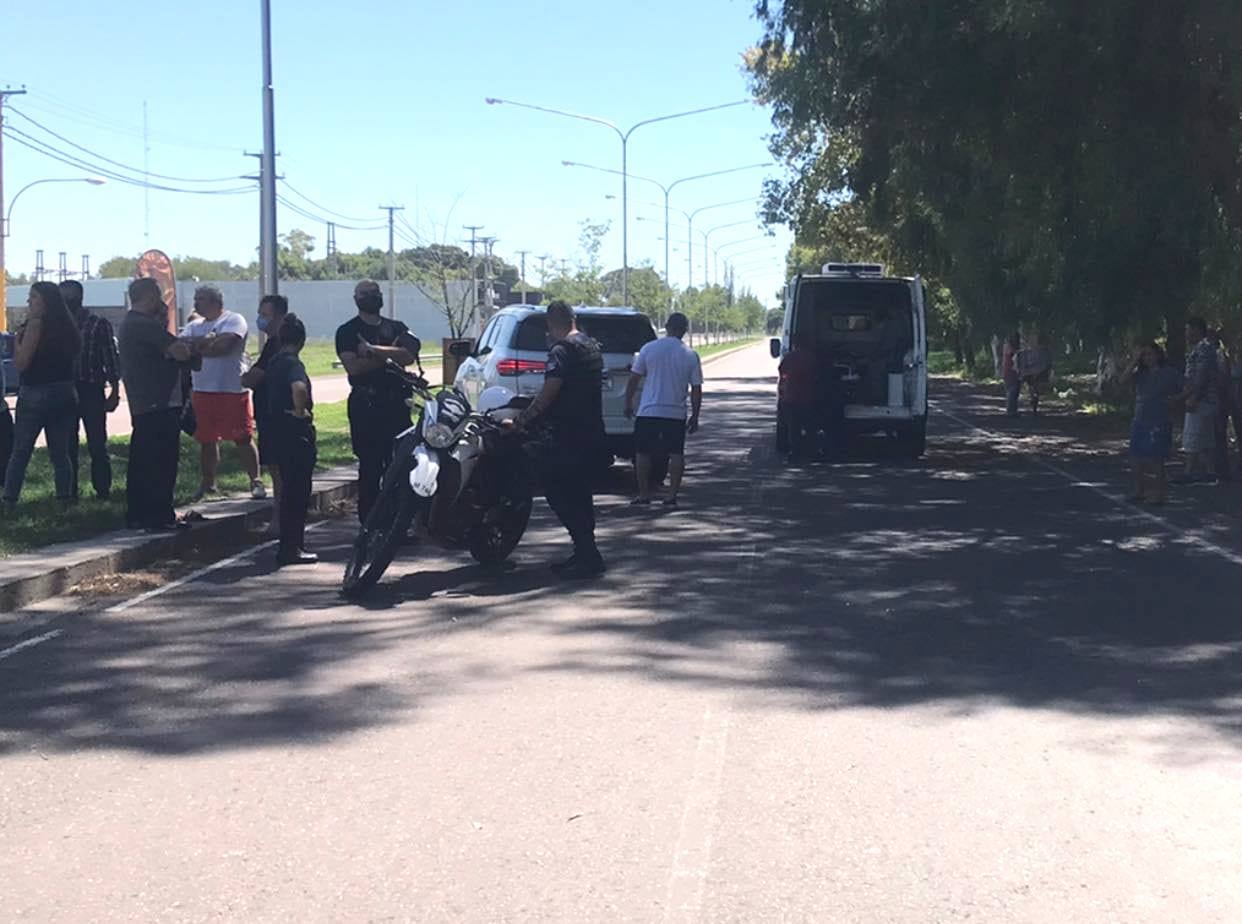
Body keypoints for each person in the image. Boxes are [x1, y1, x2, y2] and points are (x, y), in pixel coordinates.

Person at [510, 300, 606, 579]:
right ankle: (586, 553)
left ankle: (587, 555)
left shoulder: (562, 350)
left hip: (565, 435)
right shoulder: (590, 346)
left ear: (553, 323)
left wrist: (520, 422)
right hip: (590, 432)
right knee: (580, 496)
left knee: (559, 493)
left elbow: (550, 392)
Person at [334, 280, 420, 524]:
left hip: (397, 405)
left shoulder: (398, 327)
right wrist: (390, 354)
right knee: (370, 467)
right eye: (365, 294)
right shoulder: (347, 331)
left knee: (399, 466)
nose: (372, 297)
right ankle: (370, 525)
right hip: (366, 406)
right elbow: (354, 367)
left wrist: (373, 350)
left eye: (375, 293)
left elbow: (409, 355)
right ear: (356, 298)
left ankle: (396, 525)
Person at [118, 278, 194, 531]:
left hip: (145, 402)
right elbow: (179, 351)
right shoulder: (144, 325)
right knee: (160, 461)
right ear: (149, 297)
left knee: (143, 460)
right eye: (158, 298)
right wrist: (191, 348)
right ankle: (159, 514)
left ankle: (139, 513)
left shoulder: (131, 324)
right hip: (157, 401)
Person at [2, 282, 82, 509]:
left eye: (33, 297)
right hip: (65, 390)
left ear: (45, 301)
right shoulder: (68, 326)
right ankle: (64, 499)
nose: (29, 302)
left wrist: (17, 342)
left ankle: (10, 499)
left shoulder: (36, 325)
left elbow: (22, 362)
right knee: (60, 452)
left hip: (36, 391)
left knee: (21, 451)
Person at [180, 286, 263, 502]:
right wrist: (206, 343)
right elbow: (181, 347)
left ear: (216, 301)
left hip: (231, 390)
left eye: (202, 299)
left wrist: (198, 347)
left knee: (242, 437)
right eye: (196, 299)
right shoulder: (193, 325)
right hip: (202, 390)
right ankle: (208, 483)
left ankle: (255, 480)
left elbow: (224, 347)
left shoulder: (234, 320)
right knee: (206, 440)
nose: (197, 303)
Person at [624, 312, 703, 507]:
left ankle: (643, 494)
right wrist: (695, 415)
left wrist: (628, 403)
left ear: (666, 327)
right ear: (685, 330)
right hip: (675, 413)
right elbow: (696, 389)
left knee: (642, 453)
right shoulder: (690, 355)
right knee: (676, 454)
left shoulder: (648, 349)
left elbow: (634, 379)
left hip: (648, 411)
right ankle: (671, 496)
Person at [263, 314, 318, 566]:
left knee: (287, 491)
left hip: (276, 430)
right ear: (301, 340)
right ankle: (293, 547)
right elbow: (299, 388)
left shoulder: (273, 363)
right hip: (295, 433)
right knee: (298, 493)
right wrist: (300, 410)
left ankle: (287, 545)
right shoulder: (293, 364)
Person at [61, 280, 121, 500]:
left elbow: (111, 359)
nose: (66, 302)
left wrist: (114, 391)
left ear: (79, 298)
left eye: (69, 297)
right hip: (66, 389)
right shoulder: (58, 325)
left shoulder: (98, 324)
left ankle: (103, 490)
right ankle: (70, 492)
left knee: (97, 443)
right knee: (68, 444)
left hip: (91, 388)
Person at [241, 293, 290, 537]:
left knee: (279, 472)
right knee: (278, 470)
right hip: (270, 413)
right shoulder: (274, 343)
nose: (261, 319)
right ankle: (282, 519)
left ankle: (281, 521)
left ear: (280, 316)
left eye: (265, 315)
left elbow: (254, 377)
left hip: (275, 416)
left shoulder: (277, 344)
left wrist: (244, 375)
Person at [1126, 342, 1182, 505]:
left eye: (1150, 354)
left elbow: (1188, 386)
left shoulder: (1169, 373)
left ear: (1158, 355)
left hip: (1159, 420)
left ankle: (1160, 493)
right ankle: (1139, 490)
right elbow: (1122, 379)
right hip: (1140, 419)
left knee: (1156, 459)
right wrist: (1134, 360)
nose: (1147, 358)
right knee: (1136, 457)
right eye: (1144, 355)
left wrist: (1177, 399)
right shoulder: (1140, 374)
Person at [1175, 316, 1219, 484]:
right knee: (1203, 438)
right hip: (1201, 399)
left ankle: (1189, 472)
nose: (1186, 333)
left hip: (1203, 400)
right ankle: (1210, 471)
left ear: (1197, 330)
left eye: (1188, 330)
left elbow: (1201, 378)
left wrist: (1193, 398)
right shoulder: (1198, 349)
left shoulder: (1204, 349)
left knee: (1193, 435)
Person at [778, 331, 819, 463]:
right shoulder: (812, 358)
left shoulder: (790, 357)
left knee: (793, 428)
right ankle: (811, 452)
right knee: (810, 427)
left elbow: (782, 372)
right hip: (809, 397)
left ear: (795, 343)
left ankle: (795, 453)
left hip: (792, 397)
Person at [1210, 329, 1233, 483]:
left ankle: (1222, 471)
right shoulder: (1217, 355)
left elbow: (1222, 379)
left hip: (1219, 400)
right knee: (1216, 436)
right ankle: (1219, 469)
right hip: (1219, 399)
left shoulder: (1217, 355)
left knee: (1218, 436)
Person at [1016, 332, 1052, 415]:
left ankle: (1034, 399)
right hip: (1031, 373)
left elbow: (1046, 363)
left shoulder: (1042, 351)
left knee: (1035, 387)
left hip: (1036, 373)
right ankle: (1034, 399)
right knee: (1032, 387)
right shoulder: (1025, 352)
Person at [1001, 332, 1021, 417]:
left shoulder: (1013, 347)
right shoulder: (1008, 346)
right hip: (1009, 371)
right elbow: (1011, 353)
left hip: (1014, 371)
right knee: (1011, 391)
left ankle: (1013, 409)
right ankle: (1010, 410)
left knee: (1015, 391)